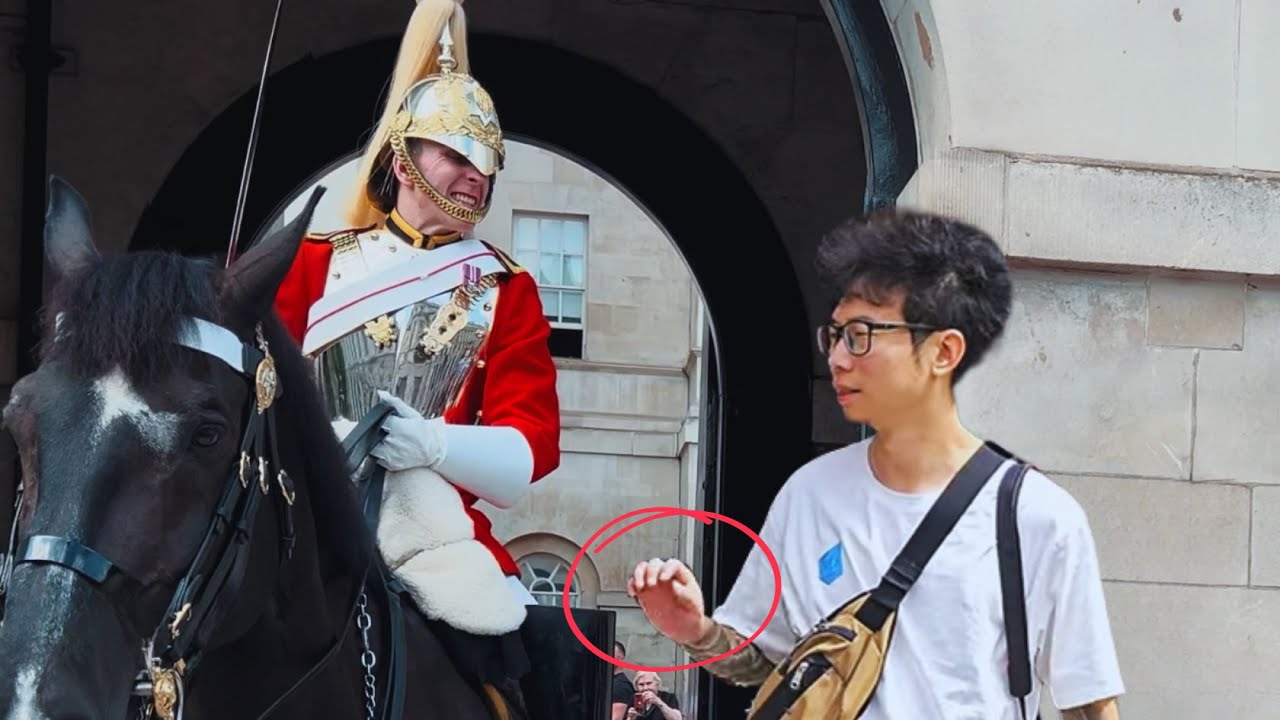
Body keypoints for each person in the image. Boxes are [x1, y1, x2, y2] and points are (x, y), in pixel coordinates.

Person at [626, 210, 1125, 719]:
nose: (839, 358)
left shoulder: (1036, 517)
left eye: (861, 334)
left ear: (942, 352)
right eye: (836, 334)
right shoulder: (810, 495)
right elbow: (771, 665)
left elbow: (1087, 701)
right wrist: (697, 631)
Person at [271, 0, 560, 712]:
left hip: (438, 532)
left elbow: (527, 452)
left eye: (486, 163)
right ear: (404, 160)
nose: (474, 176)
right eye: (456, 156)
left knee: (526, 665)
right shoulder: (309, 265)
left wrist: (430, 442)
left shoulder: (507, 290)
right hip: (301, 515)